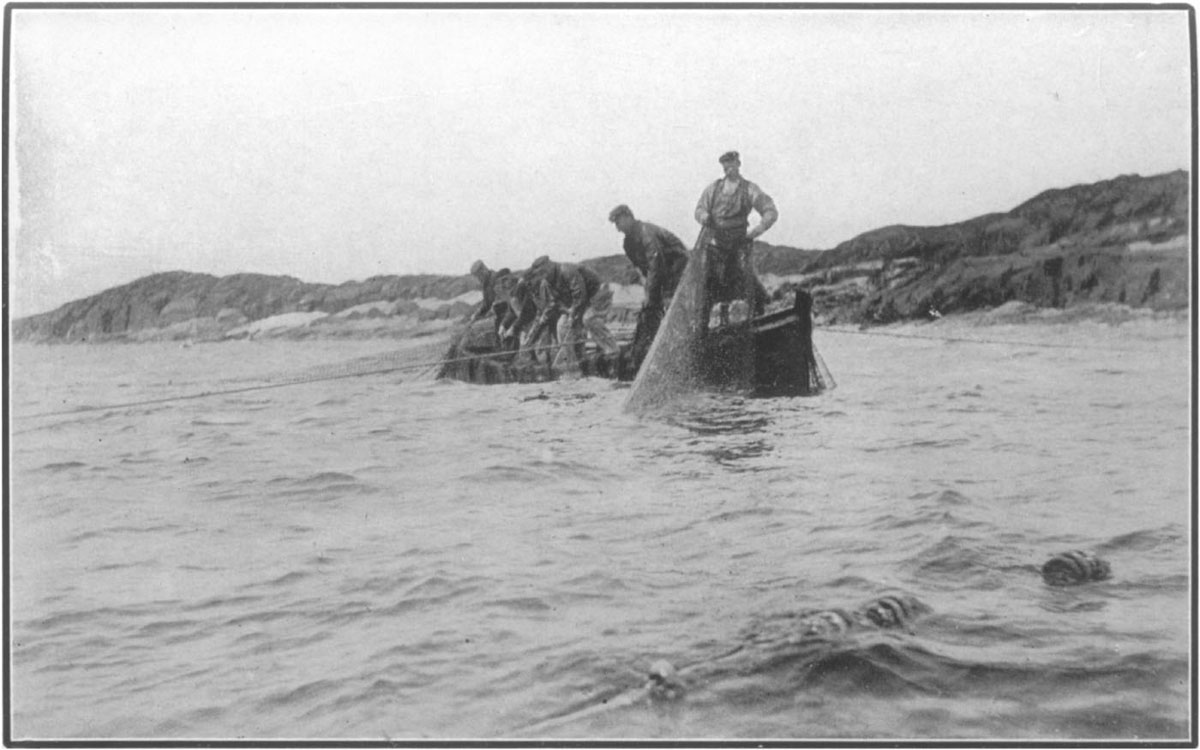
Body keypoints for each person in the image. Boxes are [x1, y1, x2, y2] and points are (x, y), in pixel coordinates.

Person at [694, 151, 777, 323]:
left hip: (739, 247)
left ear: (738, 164)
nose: (728, 169)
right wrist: (704, 217)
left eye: (731, 165)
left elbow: (770, 211)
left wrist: (756, 231)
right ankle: (704, 328)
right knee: (706, 289)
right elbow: (699, 209)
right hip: (715, 247)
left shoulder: (749, 189)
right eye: (725, 166)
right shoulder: (714, 189)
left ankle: (755, 322)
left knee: (747, 284)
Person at [608, 204, 690, 367]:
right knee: (649, 311)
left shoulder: (646, 232)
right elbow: (641, 269)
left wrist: (652, 294)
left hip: (678, 269)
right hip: (660, 275)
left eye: (618, 223)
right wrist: (648, 291)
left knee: (668, 307)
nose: (617, 228)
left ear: (628, 217)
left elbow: (656, 264)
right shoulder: (628, 243)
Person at [521, 256, 613, 364]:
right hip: (580, 302)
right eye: (540, 274)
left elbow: (579, 295)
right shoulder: (547, 282)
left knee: (589, 319)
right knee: (562, 326)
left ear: (550, 265)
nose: (543, 276)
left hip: (597, 293)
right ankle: (573, 362)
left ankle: (612, 352)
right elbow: (553, 303)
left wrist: (572, 315)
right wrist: (566, 313)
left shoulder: (566, 270)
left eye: (544, 272)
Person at [468, 260, 513, 332]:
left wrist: (490, 312)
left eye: (479, 275)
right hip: (497, 315)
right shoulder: (485, 285)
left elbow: (503, 300)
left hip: (506, 313)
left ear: (484, 270)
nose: (479, 279)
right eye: (477, 277)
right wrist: (477, 314)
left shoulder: (496, 278)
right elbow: (486, 304)